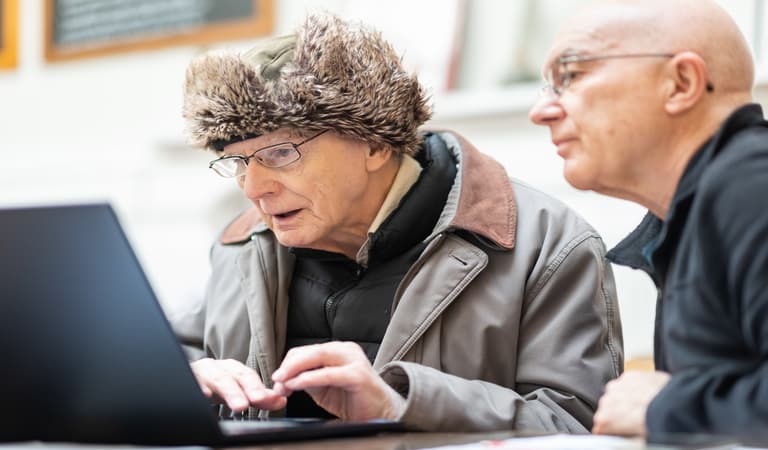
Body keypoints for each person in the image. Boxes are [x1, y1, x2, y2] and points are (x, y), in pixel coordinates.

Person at [175, 13, 623, 433]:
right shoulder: (241, 244)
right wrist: (186, 379)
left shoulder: (545, 244)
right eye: (237, 162)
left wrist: (402, 403)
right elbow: (175, 352)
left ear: (373, 143)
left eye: (280, 154)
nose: (253, 188)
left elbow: (579, 426)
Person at [529, 0, 768, 442]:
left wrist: (667, 406)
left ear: (681, 83)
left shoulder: (751, 187)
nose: (541, 111)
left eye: (571, 76)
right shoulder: (693, 214)